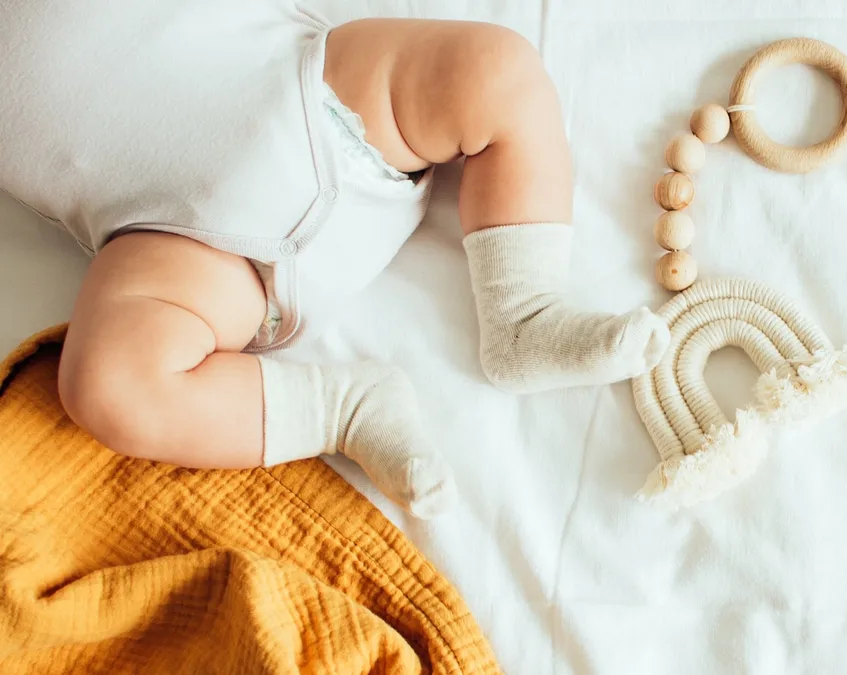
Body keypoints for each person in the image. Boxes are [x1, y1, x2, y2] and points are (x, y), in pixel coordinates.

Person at [0, 4, 670, 518]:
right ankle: (344, 408)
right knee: (109, 384)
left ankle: (524, 310)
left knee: (496, 69)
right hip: (181, 239)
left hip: (318, 97)